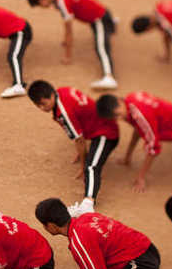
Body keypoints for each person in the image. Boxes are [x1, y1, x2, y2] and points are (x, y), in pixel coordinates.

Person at [27, 82, 119, 212]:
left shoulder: (63, 113)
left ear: (51, 95)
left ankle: (88, 203)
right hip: (99, 124)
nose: (42, 108)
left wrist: (83, 164)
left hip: (106, 133)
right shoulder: (62, 90)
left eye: (44, 104)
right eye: (38, 105)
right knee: (87, 159)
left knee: (91, 167)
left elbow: (79, 140)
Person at [27, 0, 117, 89]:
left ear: (42, 0)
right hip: (103, 12)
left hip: (99, 19)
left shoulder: (62, 4)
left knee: (101, 48)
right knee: (104, 35)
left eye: (39, 4)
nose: (42, 7)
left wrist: (67, 55)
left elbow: (68, 31)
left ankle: (109, 77)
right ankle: (112, 25)